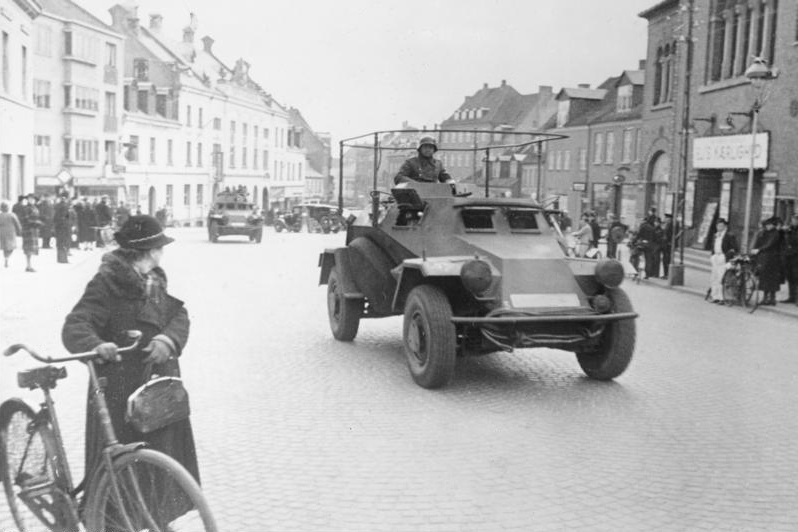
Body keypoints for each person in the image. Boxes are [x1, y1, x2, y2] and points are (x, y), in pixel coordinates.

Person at [62, 214, 200, 495]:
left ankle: (153, 518)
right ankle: (114, 520)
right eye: (160, 246)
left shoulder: (153, 278)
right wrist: (96, 345)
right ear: (149, 251)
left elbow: (178, 314)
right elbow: (75, 325)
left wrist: (168, 339)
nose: (163, 252)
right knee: (121, 467)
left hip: (156, 388)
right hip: (120, 389)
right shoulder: (106, 282)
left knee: (161, 460)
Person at [752, 216, 783, 306]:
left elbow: (769, 244)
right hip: (764, 259)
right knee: (764, 278)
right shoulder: (765, 233)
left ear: (773, 225)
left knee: (772, 279)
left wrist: (759, 249)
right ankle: (765, 297)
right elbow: (760, 242)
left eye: (769, 225)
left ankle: (772, 298)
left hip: (773, 259)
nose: (768, 227)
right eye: (767, 225)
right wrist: (756, 249)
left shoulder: (775, 233)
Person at [706, 218, 738, 303]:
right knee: (714, 277)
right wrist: (712, 255)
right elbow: (713, 246)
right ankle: (715, 296)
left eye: (721, 226)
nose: (719, 227)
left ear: (725, 227)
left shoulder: (729, 235)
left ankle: (722, 298)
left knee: (721, 278)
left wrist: (726, 256)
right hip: (716, 257)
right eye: (718, 226)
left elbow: (734, 248)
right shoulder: (716, 235)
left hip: (723, 257)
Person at [19, 193, 42, 272]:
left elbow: (38, 217)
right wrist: (36, 222)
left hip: (34, 230)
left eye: (32, 199)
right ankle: (28, 265)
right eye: (29, 199)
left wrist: (39, 222)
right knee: (28, 248)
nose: (31, 200)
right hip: (28, 229)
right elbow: (26, 219)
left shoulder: (35, 208)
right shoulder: (25, 208)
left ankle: (29, 265)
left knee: (32, 248)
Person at [781, 213, 798, 305]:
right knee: (790, 276)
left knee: (796, 277)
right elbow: (783, 241)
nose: (794, 221)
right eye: (793, 219)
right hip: (788, 256)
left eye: (796, 220)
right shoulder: (789, 230)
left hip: (796, 257)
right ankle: (792, 297)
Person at [0, 201, 22, 268]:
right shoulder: (12, 215)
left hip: (2, 232)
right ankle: (7, 258)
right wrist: (20, 231)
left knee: (5, 246)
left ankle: (6, 258)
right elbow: (17, 224)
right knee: (11, 247)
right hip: (11, 232)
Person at [54, 192, 72, 264]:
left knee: (59, 243)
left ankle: (59, 259)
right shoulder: (65, 206)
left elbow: (55, 217)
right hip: (64, 227)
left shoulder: (57, 205)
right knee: (64, 242)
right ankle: (64, 259)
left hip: (58, 227)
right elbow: (66, 217)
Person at [661, 213, 680, 279]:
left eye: (666, 218)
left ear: (669, 218)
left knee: (667, 259)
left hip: (668, 244)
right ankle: (666, 274)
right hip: (667, 244)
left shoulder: (671, 224)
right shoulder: (670, 223)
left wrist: (669, 242)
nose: (665, 219)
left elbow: (670, 234)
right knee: (666, 259)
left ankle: (667, 274)